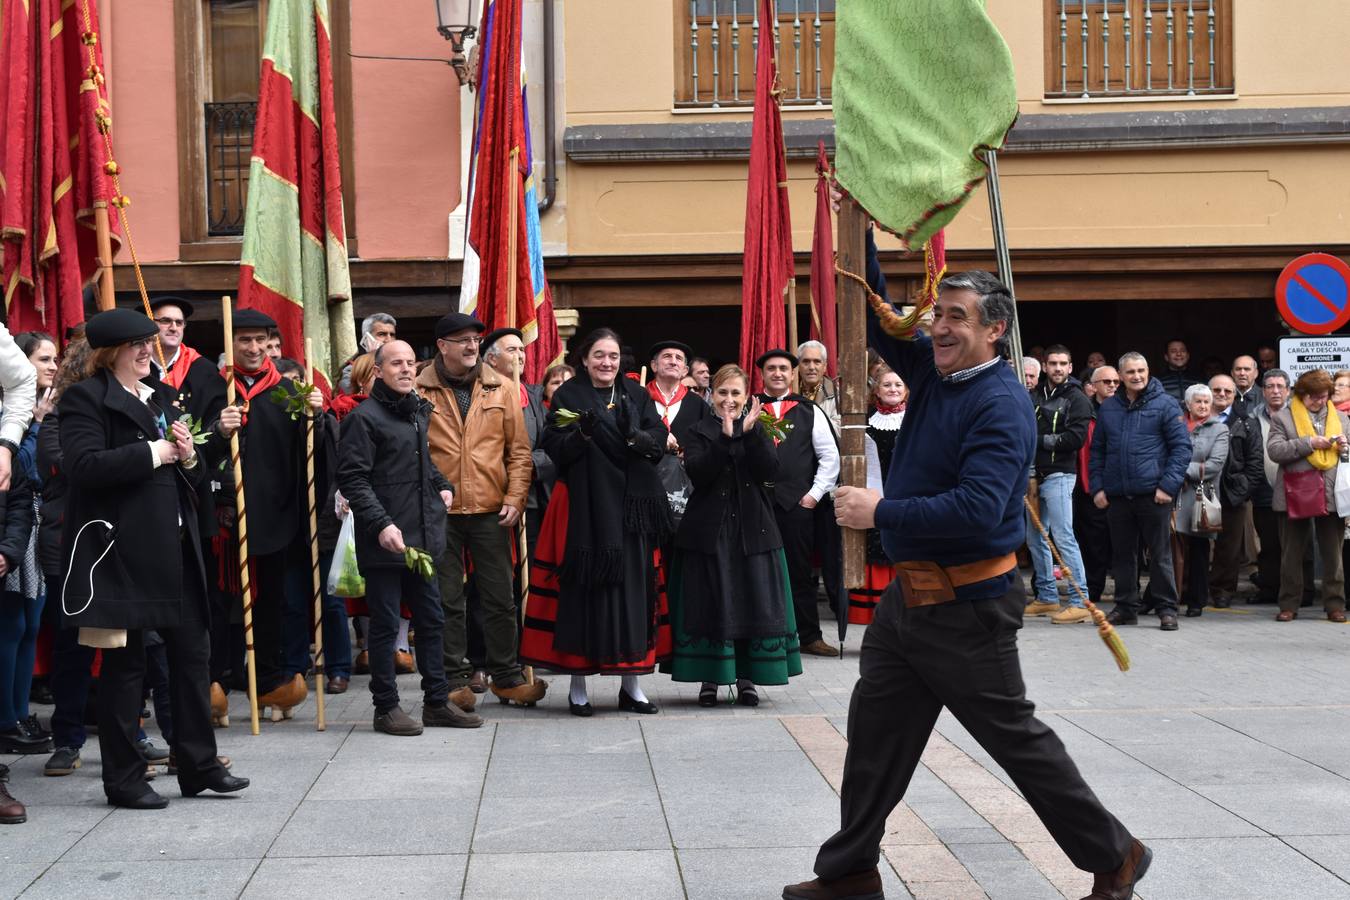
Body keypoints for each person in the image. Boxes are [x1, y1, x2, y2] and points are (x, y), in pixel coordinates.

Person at [784, 252, 1148, 900]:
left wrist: (881, 511)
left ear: (994, 331)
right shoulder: (935, 370)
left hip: (969, 606)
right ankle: (851, 873)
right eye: (939, 316)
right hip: (908, 603)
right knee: (875, 741)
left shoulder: (1002, 403)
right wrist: (859, 224)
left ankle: (1116, 854)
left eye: (958, 318)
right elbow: (884, 320)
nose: (941, 330)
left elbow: (979, 510)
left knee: (1017, 745)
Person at [59, 308, 247, 809]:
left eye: (149, 343)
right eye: (137, 345)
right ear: (110, 354)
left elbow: (189, 471)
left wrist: (187, 455)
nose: (149, 351)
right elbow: (81, 466)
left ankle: (199, 766)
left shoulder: (164, 397)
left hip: (178, 551)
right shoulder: (85, 399)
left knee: (193, 658)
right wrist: (154, 453)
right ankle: (124, 779)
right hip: (123, 555)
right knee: (126, 668)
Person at [520, 327, 672, 715]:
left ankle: (632, 687)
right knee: (584, 592)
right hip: (587, 507)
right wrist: (583, 435)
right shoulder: (569, 395)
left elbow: (656, 440)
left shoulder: (637, 394)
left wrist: (633, 434)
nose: (607, 362)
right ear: (584, 359)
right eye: (600, 355)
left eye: (614, 356)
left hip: (631, 508)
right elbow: (555, 448)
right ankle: (578, 687)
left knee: (634, 595)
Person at [337, 340, 481, 734]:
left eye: (410, 363)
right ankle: (386, 707)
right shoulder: (363, 418)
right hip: (385, 540)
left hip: (422, 538)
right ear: (378, 371)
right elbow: (353, 479)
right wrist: (382, 524)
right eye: (395, 363)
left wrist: (441, 483)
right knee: (384, 626)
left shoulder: (416, 411)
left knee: (432, 621)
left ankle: (437, 702)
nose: (404, 369)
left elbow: (422, 462)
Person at [417, 313, 545, 710]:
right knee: (446, 598)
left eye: (476, 340)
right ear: (441, 346)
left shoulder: (503, 387)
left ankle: (506, 676)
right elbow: (413, 452)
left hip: (492, 508)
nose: (472, 347)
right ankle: (453, 678)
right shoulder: (419, 389)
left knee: (499, 596)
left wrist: (515, 497)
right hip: (441, 511)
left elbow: (519, 451)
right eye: (462, 341)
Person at [662, 364, 801, 707]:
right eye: (723, 392)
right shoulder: (697, 430)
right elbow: (700, 472)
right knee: (711, 601)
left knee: (751, 599)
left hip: (754, 529)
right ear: (711, 396)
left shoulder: (760, 428)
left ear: (747, 397)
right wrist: (724, 437)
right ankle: (711, 678)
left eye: (736, 393)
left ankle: (748, 678)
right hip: (708, 530)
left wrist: (750, 434)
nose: (729, 399)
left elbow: (770, 470)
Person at [212, 308, 325, 717]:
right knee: (222, 605)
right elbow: (192, 445)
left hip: (275, 515)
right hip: (222, 519)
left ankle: (268, 680)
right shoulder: (213, 385)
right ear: (231, 344)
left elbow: (313, 455)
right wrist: (219, 428)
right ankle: (217, 681)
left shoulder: (287, 391)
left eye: (261, 340)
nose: (255, 348)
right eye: (245, 340)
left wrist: (317, 418)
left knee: (272, 603)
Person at [1090, 351, 1192, 632]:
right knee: (1122, 556)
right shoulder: (1109, 408)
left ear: (1148, 372)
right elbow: (1097, 450)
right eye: (1131, 372)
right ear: (1120, 376)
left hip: (1154, 494)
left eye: (1141, 371)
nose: (1137, 376)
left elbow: (1182, 449)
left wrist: (1167, 486)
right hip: (1118, 495)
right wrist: (1097, 486)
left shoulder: (1167, 405)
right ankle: (1125, 607)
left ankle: (1167, 609)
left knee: (1159, 556)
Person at [757, 349, 842, 658]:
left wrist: (813, 496)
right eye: (771, 369)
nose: (778, 373)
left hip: (796, 507)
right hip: (757, 506)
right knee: (757, 569)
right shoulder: (748, 407)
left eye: (783, 368)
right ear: (763, 374)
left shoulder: (810, 411)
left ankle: (809, 636)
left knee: (800, 572)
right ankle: (759, 635)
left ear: (791, 374)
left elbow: (830, 458)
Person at [1267, 369, 1350, 623]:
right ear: (1301, 395)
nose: (1319, 401)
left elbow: (1346, 457)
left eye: (1323, 396)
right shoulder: (1283, 417)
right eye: (1313, 397)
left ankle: (1335, 604)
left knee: (1333, 554)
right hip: (1295, 494)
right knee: (1292, 553)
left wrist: (1345, 448)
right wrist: (1309, 443)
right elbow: (1275, 451)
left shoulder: (1342, 418)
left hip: (1330, 493)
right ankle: (1289, 604)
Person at [1027, 344, 1094, 625]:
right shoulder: (1033, 394)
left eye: (1062, 363)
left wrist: (1037, 440)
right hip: (1032, 474)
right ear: (1045, 366)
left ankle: (1080, 601)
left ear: (1069, 367)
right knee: (1035, 537)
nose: (1057, 368)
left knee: (1063, 536)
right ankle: (1047, 597)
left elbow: (1074, 439)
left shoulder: (1077, 399)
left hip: (1060, 474)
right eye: (1052, 363)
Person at [849, 368, 906, 626]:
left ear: (906, 390)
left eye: (898, 384)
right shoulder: (867, 422)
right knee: (875, 545)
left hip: (905, 495)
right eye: (887, 385)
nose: (893, 389)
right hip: (874, 493)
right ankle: (871, 610)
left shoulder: (914, 421)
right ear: (876, 390)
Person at [1206, 375, 1264, 608]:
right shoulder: (1193, 418)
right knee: (1198, 545)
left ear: (1234, 394)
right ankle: (1193, 589)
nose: (1221, 394)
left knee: (1228, 548)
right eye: (1217, 390)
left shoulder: (1247, 421)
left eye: (1227, 391)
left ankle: (1223, 591)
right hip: (1200, 492)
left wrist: (1242, 491)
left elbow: (1255, 462)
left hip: (1232, 493)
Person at [1174, 384, 1229, 616]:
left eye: (1207, 402)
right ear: (1188, 404)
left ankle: (1197, 600)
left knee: (1199, 549)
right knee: (1170, 549)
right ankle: (1165, 596)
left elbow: (1215, 465)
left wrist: (1179, 470)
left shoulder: (1219, 429)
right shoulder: (1176, 425)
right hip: (1174, 495)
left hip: (1200, 497)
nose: (1204, 406)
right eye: (1199, 401)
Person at [1074, 366, 1119, 604]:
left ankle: (1126, 593)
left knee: (1123, 546)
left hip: (1121, 487)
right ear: (1093, 385)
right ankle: (1093, 591)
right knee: (1093, 545)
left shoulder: (1125, 408)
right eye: (1107, 381)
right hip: (1090, 486)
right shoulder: (1084, 410)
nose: (1112, 385)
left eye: (1116, 381)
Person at [146, 297, 226, 425]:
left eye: (179, 322)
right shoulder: (135, 366)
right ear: (149, 323)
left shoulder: (205, 370)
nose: (174, 328)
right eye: (165, 321)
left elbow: (213, 423)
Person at [1250, 371, 1292, 604]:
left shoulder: (1298, 415)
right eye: (1270, 386)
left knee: (1296, 546)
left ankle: (1298, 592)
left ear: (1287, 389)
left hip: (1295, 490)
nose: (1275, 391)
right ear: (1263, 391)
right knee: (1268, 545)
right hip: (1264, 490)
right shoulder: (1252, 417)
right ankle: (1269, 590)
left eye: (1279, 386)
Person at [647, 341, 707, 449]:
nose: (673, 362)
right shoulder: (638, 397)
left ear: (685, 370)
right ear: (654, 365)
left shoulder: (698, 404)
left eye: (678, 358)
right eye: (667, 356)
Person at [797, 340, 840, 430]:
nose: (811, 367)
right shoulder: (789, 392)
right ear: (798, 366)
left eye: (817, 362)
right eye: (806, 362)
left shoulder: (837, 396)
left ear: (824, 366)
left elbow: (840, 432)